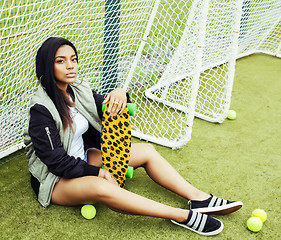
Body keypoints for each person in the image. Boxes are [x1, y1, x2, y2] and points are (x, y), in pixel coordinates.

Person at [24, 37, 243, 236]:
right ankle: (180, 216)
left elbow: (108, 108)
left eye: (73, 59)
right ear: (47, 65)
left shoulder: (77, 88)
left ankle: (198, 199)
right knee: (102, 187)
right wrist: (97, 172)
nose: (70, 66)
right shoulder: (41, 109)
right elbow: (56, 162)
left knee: (146, 151)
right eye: (60, 61)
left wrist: (120, 93)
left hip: (82, 158)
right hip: (56, 179)